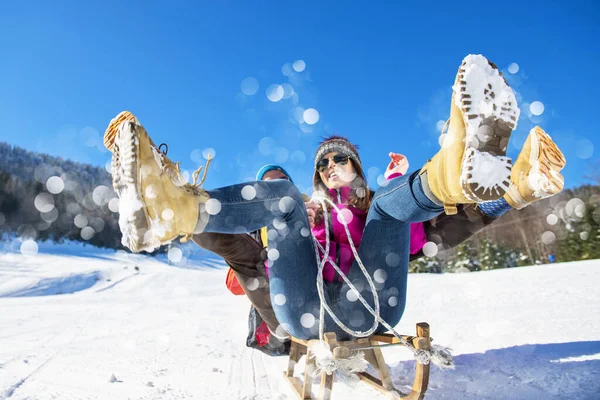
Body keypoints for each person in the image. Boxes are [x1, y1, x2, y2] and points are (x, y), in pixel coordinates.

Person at [104, 54, 565, 346]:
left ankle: (466, 173)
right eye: (323, 164)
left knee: (388, 206)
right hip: (308, 310)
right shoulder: (306, 213)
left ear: (355, 165)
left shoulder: (382, 205)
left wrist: (508, 199)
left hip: (374, 304)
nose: (330, 167)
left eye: (340, 159)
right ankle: (172, 209)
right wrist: (291, 231)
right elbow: (245, 255)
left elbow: (441, 234)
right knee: (283, 199)